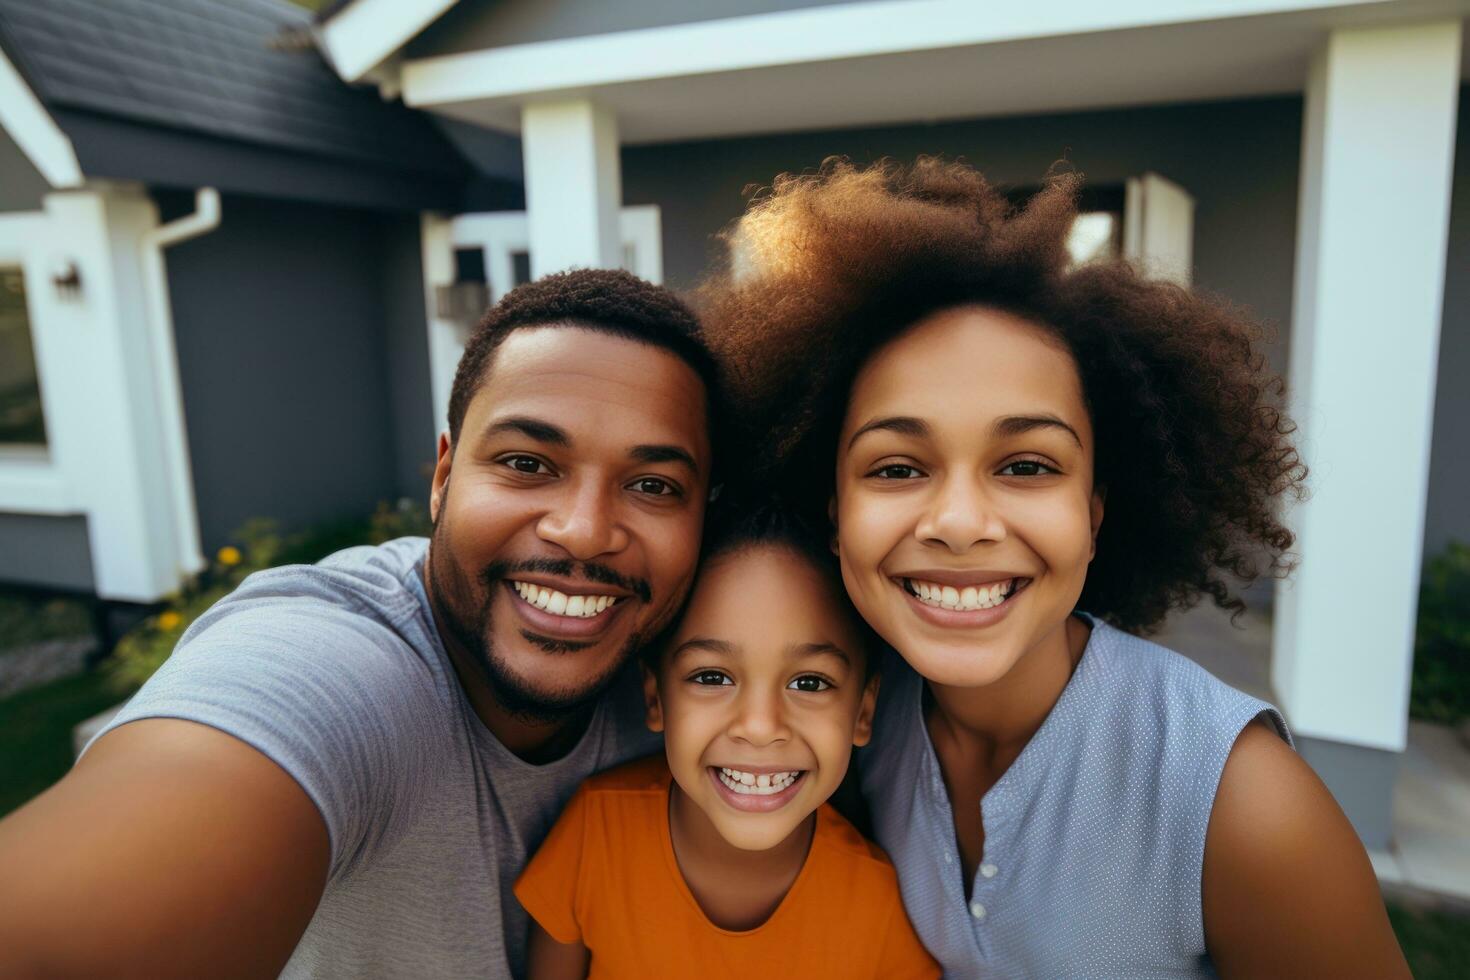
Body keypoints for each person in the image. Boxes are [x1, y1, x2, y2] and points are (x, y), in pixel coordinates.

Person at [699, 158, 1410, 978]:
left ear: (1096, 513)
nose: (960, 524)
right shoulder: (851, 724)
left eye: (1028, 466)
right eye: (896, 467)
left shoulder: (1242, 810)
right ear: (833, 514)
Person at [0, 269, 721, 979]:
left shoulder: (703, 667)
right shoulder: (340, 662)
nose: (585, 531)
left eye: (653, 486)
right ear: (442, 479)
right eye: (528, 463)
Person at [514, 503, 939, 979]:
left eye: (809, 683)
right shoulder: (597, 833)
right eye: (712, 676)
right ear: (656, 697)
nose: (759, 727)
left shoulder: (875, 903)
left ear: (863, 711)